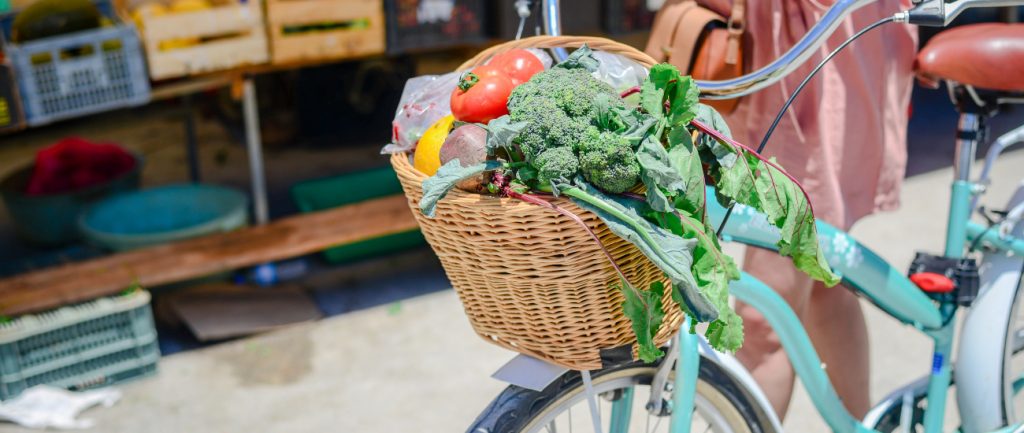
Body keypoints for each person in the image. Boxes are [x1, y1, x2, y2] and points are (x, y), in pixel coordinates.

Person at [698, 0, 918, 419]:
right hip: (771, 44)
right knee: (820, 276)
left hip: (817, 46)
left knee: (763, 318)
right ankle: (863, 425)